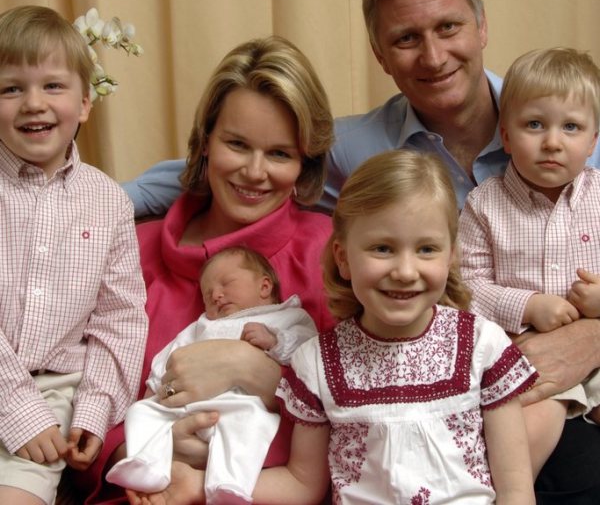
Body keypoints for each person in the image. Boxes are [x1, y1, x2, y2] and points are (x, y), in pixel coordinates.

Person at [148, 149, 537, 504]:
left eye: (426, 249)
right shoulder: (316, 363)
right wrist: (197, 485)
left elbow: (516, 490)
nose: (404, 271)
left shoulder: (483, 345)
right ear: (344, 258)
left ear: (451, 256)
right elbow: (302, 485)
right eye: (382, 248)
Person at [73, 35, 336, 504]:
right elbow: (71, 397)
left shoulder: (330, 252)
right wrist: (139, 450)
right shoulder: (132, 247)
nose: (255, 173)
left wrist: (263, 377)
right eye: (237, 144)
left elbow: (376, 409)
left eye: (280, 154)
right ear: (205, 142)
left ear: (305, 164)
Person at [0, 5, 148, 505]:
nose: (32, 104)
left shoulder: (108, 202)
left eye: (53, 86)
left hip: (51, 392)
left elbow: (120, 319)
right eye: (11, 88)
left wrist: (93, 409)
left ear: (86, 102)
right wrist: (13, 407)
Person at [458, 47, 600, 479]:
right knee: (527, 429)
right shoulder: (485, 204)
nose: (552, 141)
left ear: (594, 139)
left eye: (571, 127)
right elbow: (465, 286)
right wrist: (527, 305)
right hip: (525, 361)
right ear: (506, 135)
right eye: (534, 125)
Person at [106, 246, 317, 503]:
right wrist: (155, 388)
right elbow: (171, 353)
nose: (216, 295)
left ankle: (228, 484)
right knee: (140, 412)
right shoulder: (203, 325)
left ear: (264, 287)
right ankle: (145, 462)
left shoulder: (285, 316)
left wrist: (275, 340)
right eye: (208, 294)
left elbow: (309, 350)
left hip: (239, 404)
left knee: (248, 425)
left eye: (226, 284)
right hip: (183, 407)